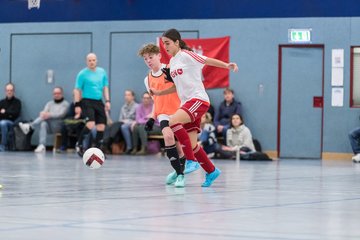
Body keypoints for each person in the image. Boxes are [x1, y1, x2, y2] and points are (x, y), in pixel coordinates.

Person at [151, 28, 238, 187]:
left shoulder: (186, 55)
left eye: (168, 43)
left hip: (198, 100)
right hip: (187, 104)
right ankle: (211, 171)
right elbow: (176, 87)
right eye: (164, 44)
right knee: (192, 145)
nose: (166, 47)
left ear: (177, 42)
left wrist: (227, 65)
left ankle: (191, 161)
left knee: (172, 122)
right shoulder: (172, 62)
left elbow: (206, 60)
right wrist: (159, 92)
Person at [138, 43, 200, 187]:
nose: (148, 61)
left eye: (151, 57)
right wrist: (152, 117)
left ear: (159, 56)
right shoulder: (147, 79)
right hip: (163, 114)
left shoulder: (170, 70)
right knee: (167, 136)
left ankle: (179, 170)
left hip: (179, 111)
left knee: (182, 149)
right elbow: (156, 100)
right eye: (145, 59)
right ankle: (179, 175)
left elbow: (183, 88)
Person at [74, 53, 111, 156]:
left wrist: (107, 101)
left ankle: (98, 149)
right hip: (86, 101)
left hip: (98, 101)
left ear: (96, 61)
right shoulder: (82, 74)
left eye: (93, 60)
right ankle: (79, 144)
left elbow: (105, 87)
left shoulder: (102, 72)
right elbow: (77, 90)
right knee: (90, 123)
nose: (92, 62)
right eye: (89, 60)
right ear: (87, 61)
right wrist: (77, 105)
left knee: (101, 126)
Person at [19, 87, 69, 153]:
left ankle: (30, 126)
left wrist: (49, 114)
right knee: (43, 123)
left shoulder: (65, 104)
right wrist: (44, 114)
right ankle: (42, 145)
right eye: (55, 93)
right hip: (49, 126)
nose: (56, 95)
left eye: (58, 93)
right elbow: (44, 113)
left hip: (59, 126)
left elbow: (61, 114)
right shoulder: (49, 103)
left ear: (62, 94)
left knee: (44, 117)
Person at [0, 83, 21, 152]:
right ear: (5, 91)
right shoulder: (1, 102)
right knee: (2, 123)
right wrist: (9, 113)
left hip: (13, 122)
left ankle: (3, 145)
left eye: (11, 90)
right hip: (2, 121)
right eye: (8, 90)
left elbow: (16, 114)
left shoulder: (17, 102)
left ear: (13, 91)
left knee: (3, 123)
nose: (9, 92)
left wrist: (5, 112)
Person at [118, 90, 138, 154]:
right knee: (118, 126)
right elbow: (120, 119)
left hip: (133, 124)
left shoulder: (137, 106)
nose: (126, 97)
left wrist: (128, 121)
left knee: (124, 127)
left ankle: (129, 147)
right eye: (125, 95)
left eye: (128, 95)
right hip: (124, 123)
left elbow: (138, 119)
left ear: (133, 97)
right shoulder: (123, 107)